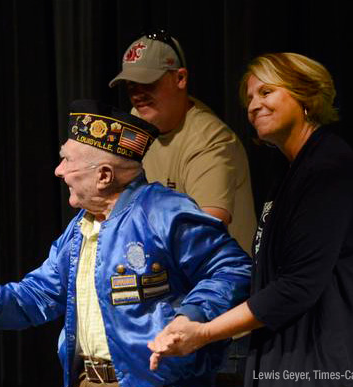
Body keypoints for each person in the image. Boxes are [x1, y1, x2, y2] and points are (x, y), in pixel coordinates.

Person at [0, 99, 251, 387]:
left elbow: (233, 270)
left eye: (67, 161)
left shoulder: (163, 211)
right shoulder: (81, 228)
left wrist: (191, 317)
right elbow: (40, 293)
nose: (58, 171)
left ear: (103, 175)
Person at [148, 53, 353, 387]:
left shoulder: (328, 169)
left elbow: (297, 285)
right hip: (290, 358)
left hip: (324, 364)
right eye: (249, 98)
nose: (253, 106)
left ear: (305, 95)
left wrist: (204, 332)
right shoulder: (290, 171)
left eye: (266, 93)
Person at [109, 30, 256, 255]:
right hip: (166, 266)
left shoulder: (211, 141)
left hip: (219, 277)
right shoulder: (137, 121)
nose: (137, 95)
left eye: (147, 83)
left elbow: (204, 235)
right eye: (131, 86)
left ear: (180, 78)